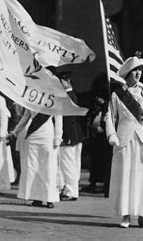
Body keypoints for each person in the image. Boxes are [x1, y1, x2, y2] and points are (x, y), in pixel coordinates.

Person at [105, 53, 143, 228]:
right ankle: (126, 216)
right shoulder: (117, 94)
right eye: (134, 70)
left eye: (140, 70)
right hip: (124, 140)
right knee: (126, 178)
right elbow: (109, 116)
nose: (138, 74)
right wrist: (111, 135)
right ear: (127, 73)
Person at [11, 110, 63, 208]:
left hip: (47, 136)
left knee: (48, 167)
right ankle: (36, 198)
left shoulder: (54, 97)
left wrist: (58, 137)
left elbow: (59, 120)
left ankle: (50, 198)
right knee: (33, 167)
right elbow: (25, 118)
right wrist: (15, 132)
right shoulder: (32, 96)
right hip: (32, 135)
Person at [58, 72, 85, 201]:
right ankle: (70, 189)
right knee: (73, 164)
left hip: (69, 135)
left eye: (61, 81)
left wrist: (65, 136)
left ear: (68, 81)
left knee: (68, 164)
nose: (59, 83)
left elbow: (69, 119)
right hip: (75, 135)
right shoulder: (72, 95)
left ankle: (70, 191)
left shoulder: (67, 96)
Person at [82, 96, 112, 197]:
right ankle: (95, 184)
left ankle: (106, 188)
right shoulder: (96, 113)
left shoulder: (107, 110)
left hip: (105, 142)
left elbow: (104, 125)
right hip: (97, 143)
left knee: (106, 165)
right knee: (96, 164)